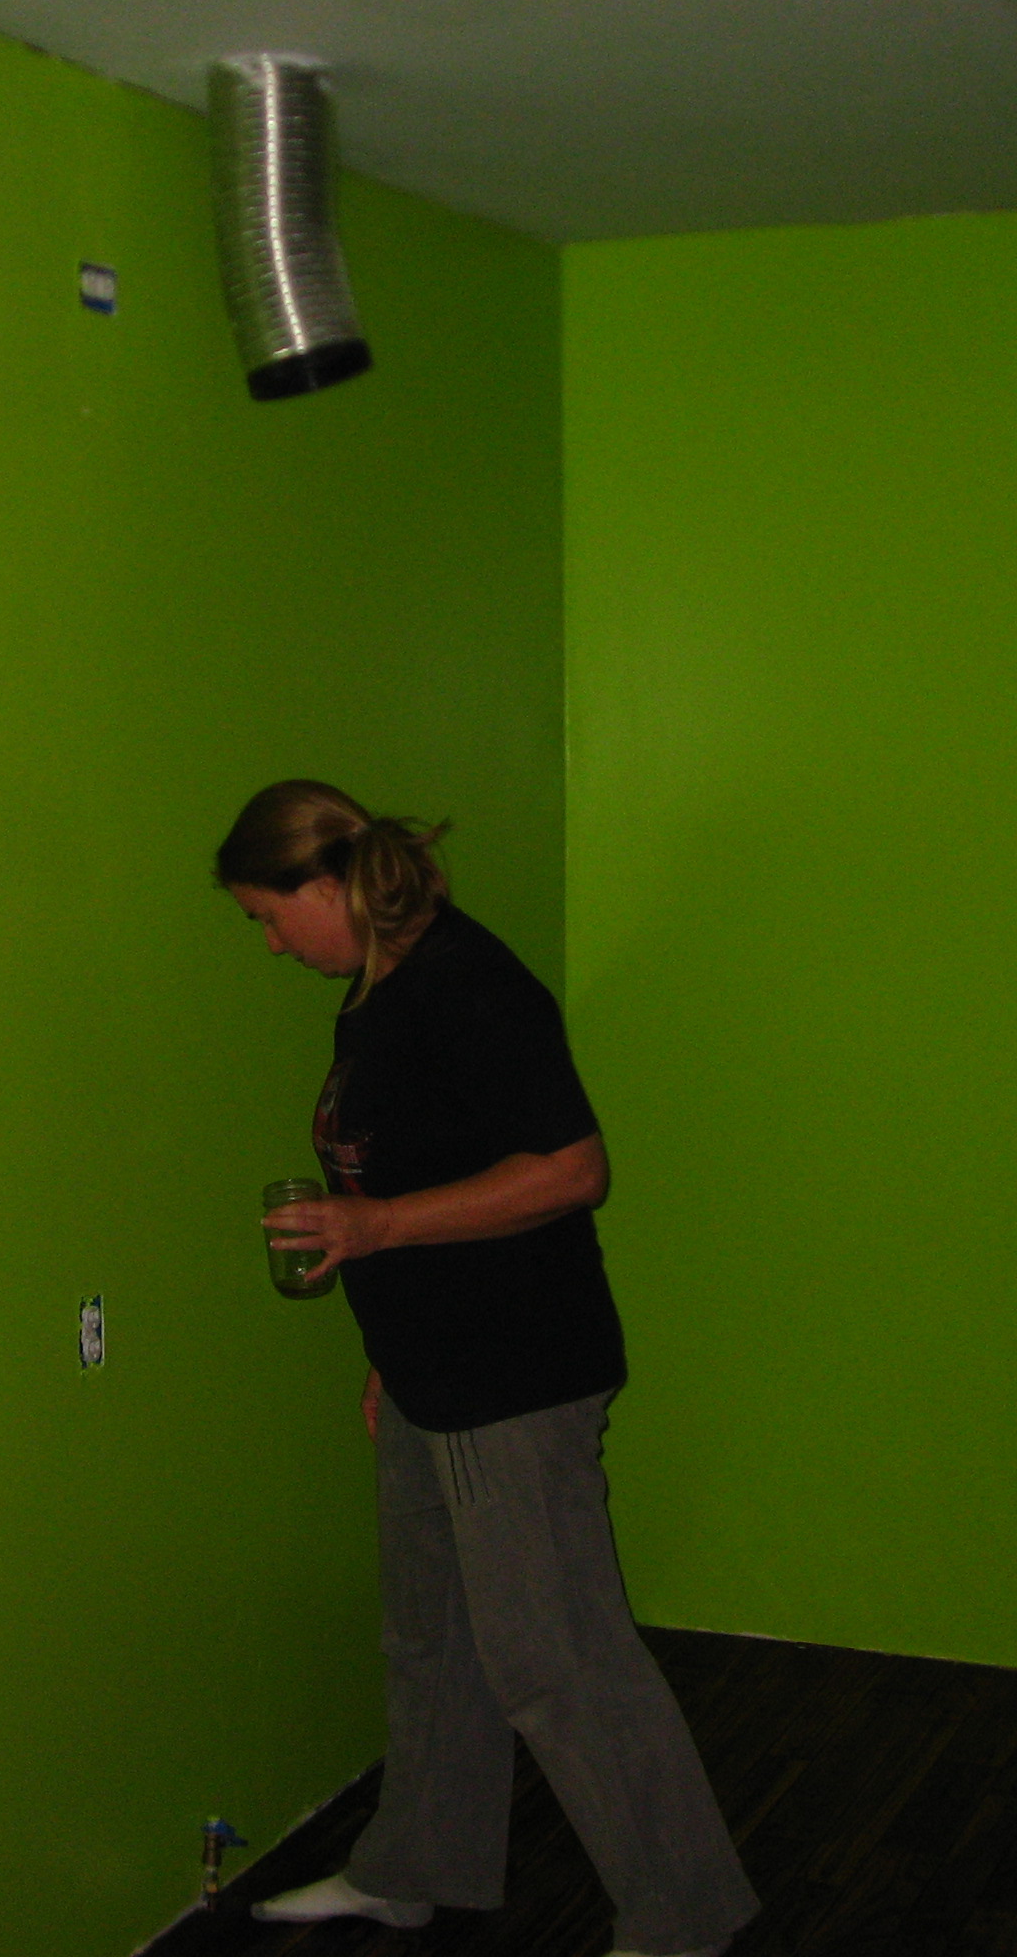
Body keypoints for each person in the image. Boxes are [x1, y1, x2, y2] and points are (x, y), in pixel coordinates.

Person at [216, 780, 758, 1957]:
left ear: (323, 887)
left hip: (513, 1375)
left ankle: (682, 1917)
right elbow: (412, 1160)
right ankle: (415, 1865)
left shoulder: (469, 985)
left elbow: (570, 1171)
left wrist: (374, 1230)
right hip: (428, 1372)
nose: (269, 944)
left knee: (557, 1663)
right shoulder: (375, 989)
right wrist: (387, 1348)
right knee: (430, 1643)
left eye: (268, 917)